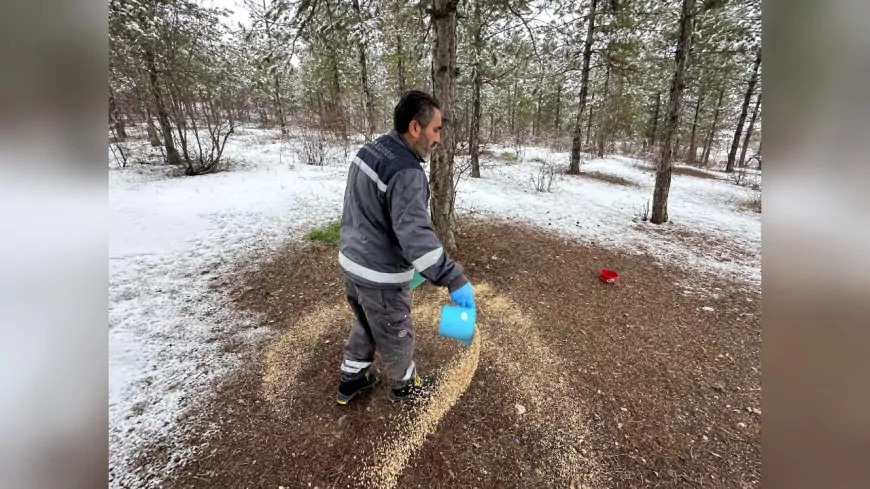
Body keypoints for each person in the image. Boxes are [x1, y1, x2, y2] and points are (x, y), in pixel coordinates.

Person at [336, 90, 475, 405]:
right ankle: (405, 386)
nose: (438, 139)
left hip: (353, 261)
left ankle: (353, 375)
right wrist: (453, 278)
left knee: (368, 319)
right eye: (435, 129)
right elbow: (415, 235)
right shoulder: (407, 171)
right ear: (416, 128)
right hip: (378, 273)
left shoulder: (370, 149)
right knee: (396, 328)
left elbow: (369, 209)